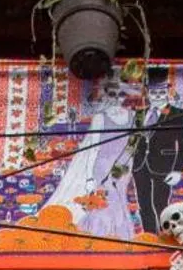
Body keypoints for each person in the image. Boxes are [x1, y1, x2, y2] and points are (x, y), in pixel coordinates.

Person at [46, 71, 137, 242]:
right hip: (101, 168)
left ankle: (120, 238)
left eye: (120, 94)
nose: (116, 98)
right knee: (101, 202)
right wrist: (88, 177)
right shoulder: (100, 118)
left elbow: (132, 146)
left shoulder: (132, 117)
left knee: (119, 201)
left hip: (122, 168)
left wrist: (127, 167)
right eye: (112, 93)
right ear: (106, 94)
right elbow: (91, 150)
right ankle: (98, 237)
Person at [130, 65, 183, 236]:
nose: (157, 96)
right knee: (144, 204)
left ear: (167, 92)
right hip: (140, 165)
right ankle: (150, 236)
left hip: (164, 165)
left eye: (161, 92)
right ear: (148, 92)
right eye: (153, 92)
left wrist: (178, 170)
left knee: (161, 203)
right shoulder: (140, 114)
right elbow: (133, 139)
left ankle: (166, 236)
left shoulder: (177, 113)